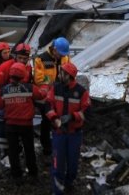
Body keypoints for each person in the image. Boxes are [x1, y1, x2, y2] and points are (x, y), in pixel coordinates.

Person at [0, 63, 44, 183]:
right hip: (26, 125)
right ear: (23, 75)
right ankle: (33, 173)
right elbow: (41, 95)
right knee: (29, 149)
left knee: (13, 151)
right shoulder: (30, 88)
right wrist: (45, 87)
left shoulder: (5, 90)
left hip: (10, 125)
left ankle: (16, 175)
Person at [45, 62, 90, 195]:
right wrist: (55, 119)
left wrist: (72, 117)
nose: (59, 75)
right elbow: (48, 106)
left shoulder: (81, 92)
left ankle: (69, 184)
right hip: (59, 133)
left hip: (74, 135)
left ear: (68, 75)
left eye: (62, 73)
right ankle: (57, 191)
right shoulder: (56, 88)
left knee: (72, 166)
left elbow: (87, 112)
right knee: (57, 166)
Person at [0, 43, 33, 152]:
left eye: (25, 58)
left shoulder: (28, 67)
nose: (22, 61)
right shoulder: (5, 67)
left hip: (19, 105)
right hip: (6, 104)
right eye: (20, 58)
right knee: (4, 130)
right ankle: (4, 153)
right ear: (15, 56)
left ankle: (16, 150)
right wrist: (4, 100)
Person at [33, 36, 71, 155]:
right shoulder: (41, 59)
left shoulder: (65, 57)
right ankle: (47, 147)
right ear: (54, 49)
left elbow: (70, 70)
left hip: (59, 95)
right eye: (60, 53)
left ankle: (59, 143)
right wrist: (53, 81)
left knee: (59, 119)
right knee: (46, 121)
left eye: (63, 54)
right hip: (45, 97)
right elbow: (38, 79)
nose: (61, 56)